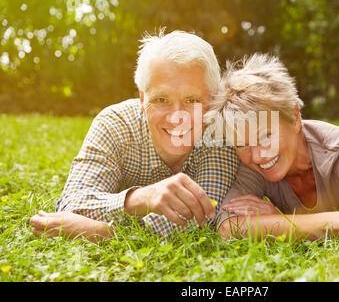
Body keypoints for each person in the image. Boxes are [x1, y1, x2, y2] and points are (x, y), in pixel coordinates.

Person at [29, 30, 239, 242]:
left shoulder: (221, 134)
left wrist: (106, 234)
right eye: (161, 99)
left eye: (192, 100)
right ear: (142, 98)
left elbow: (201, 221)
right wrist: (138, 199)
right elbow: (71, 205)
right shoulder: (114, 124)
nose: (177, 117)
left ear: (212, 101)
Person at [206, 53, 339, 247]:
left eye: (265, 136)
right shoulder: (252, 163)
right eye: (243, 144)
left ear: (294, 117)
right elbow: (229, 228)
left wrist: (279, 222)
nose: (257, 155)